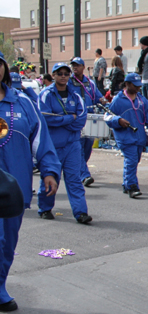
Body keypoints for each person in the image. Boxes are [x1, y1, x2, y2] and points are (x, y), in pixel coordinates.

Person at [0, 52, 60, 312]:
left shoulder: (22, 102)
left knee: (7, 241)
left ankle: (0, 286)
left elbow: (40, 139)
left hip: (13, 189)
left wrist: (48, 170)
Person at [37, 63, 92, 224]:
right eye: (59, 73)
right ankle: (45, 208)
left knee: (74, 179)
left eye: (66, 73)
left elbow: (80, 120)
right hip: (52, 145)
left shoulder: (75, 96)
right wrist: (69, 118)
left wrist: (60, 119)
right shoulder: (45, 94)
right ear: (53, 75)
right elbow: (45, 118)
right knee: (50, 177)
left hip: (72, 145)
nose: (63, 76)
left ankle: (81, 212)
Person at [104, 73, 148, 198]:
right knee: (131, 160)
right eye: (135, 85)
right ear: (127, 84)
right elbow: (108, 116)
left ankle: (126, 183)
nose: (138, 88)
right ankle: (132, 186)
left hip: (139, 137)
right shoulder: (118, 99)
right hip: (125, 137)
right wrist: (118, 120)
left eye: (139, 86)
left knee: (133, 161)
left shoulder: (142, 100)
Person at [69, 57, 105, 187]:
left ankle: (77, 169)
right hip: (76, 120)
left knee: (87, 147)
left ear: (83, 67)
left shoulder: (90, 83)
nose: (75, 68)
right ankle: (84, 175)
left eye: (77, 65)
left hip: (89, 120)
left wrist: (104, 100)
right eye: (73, 65)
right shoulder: (68, 82)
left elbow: (98, 97)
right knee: (78, 148)